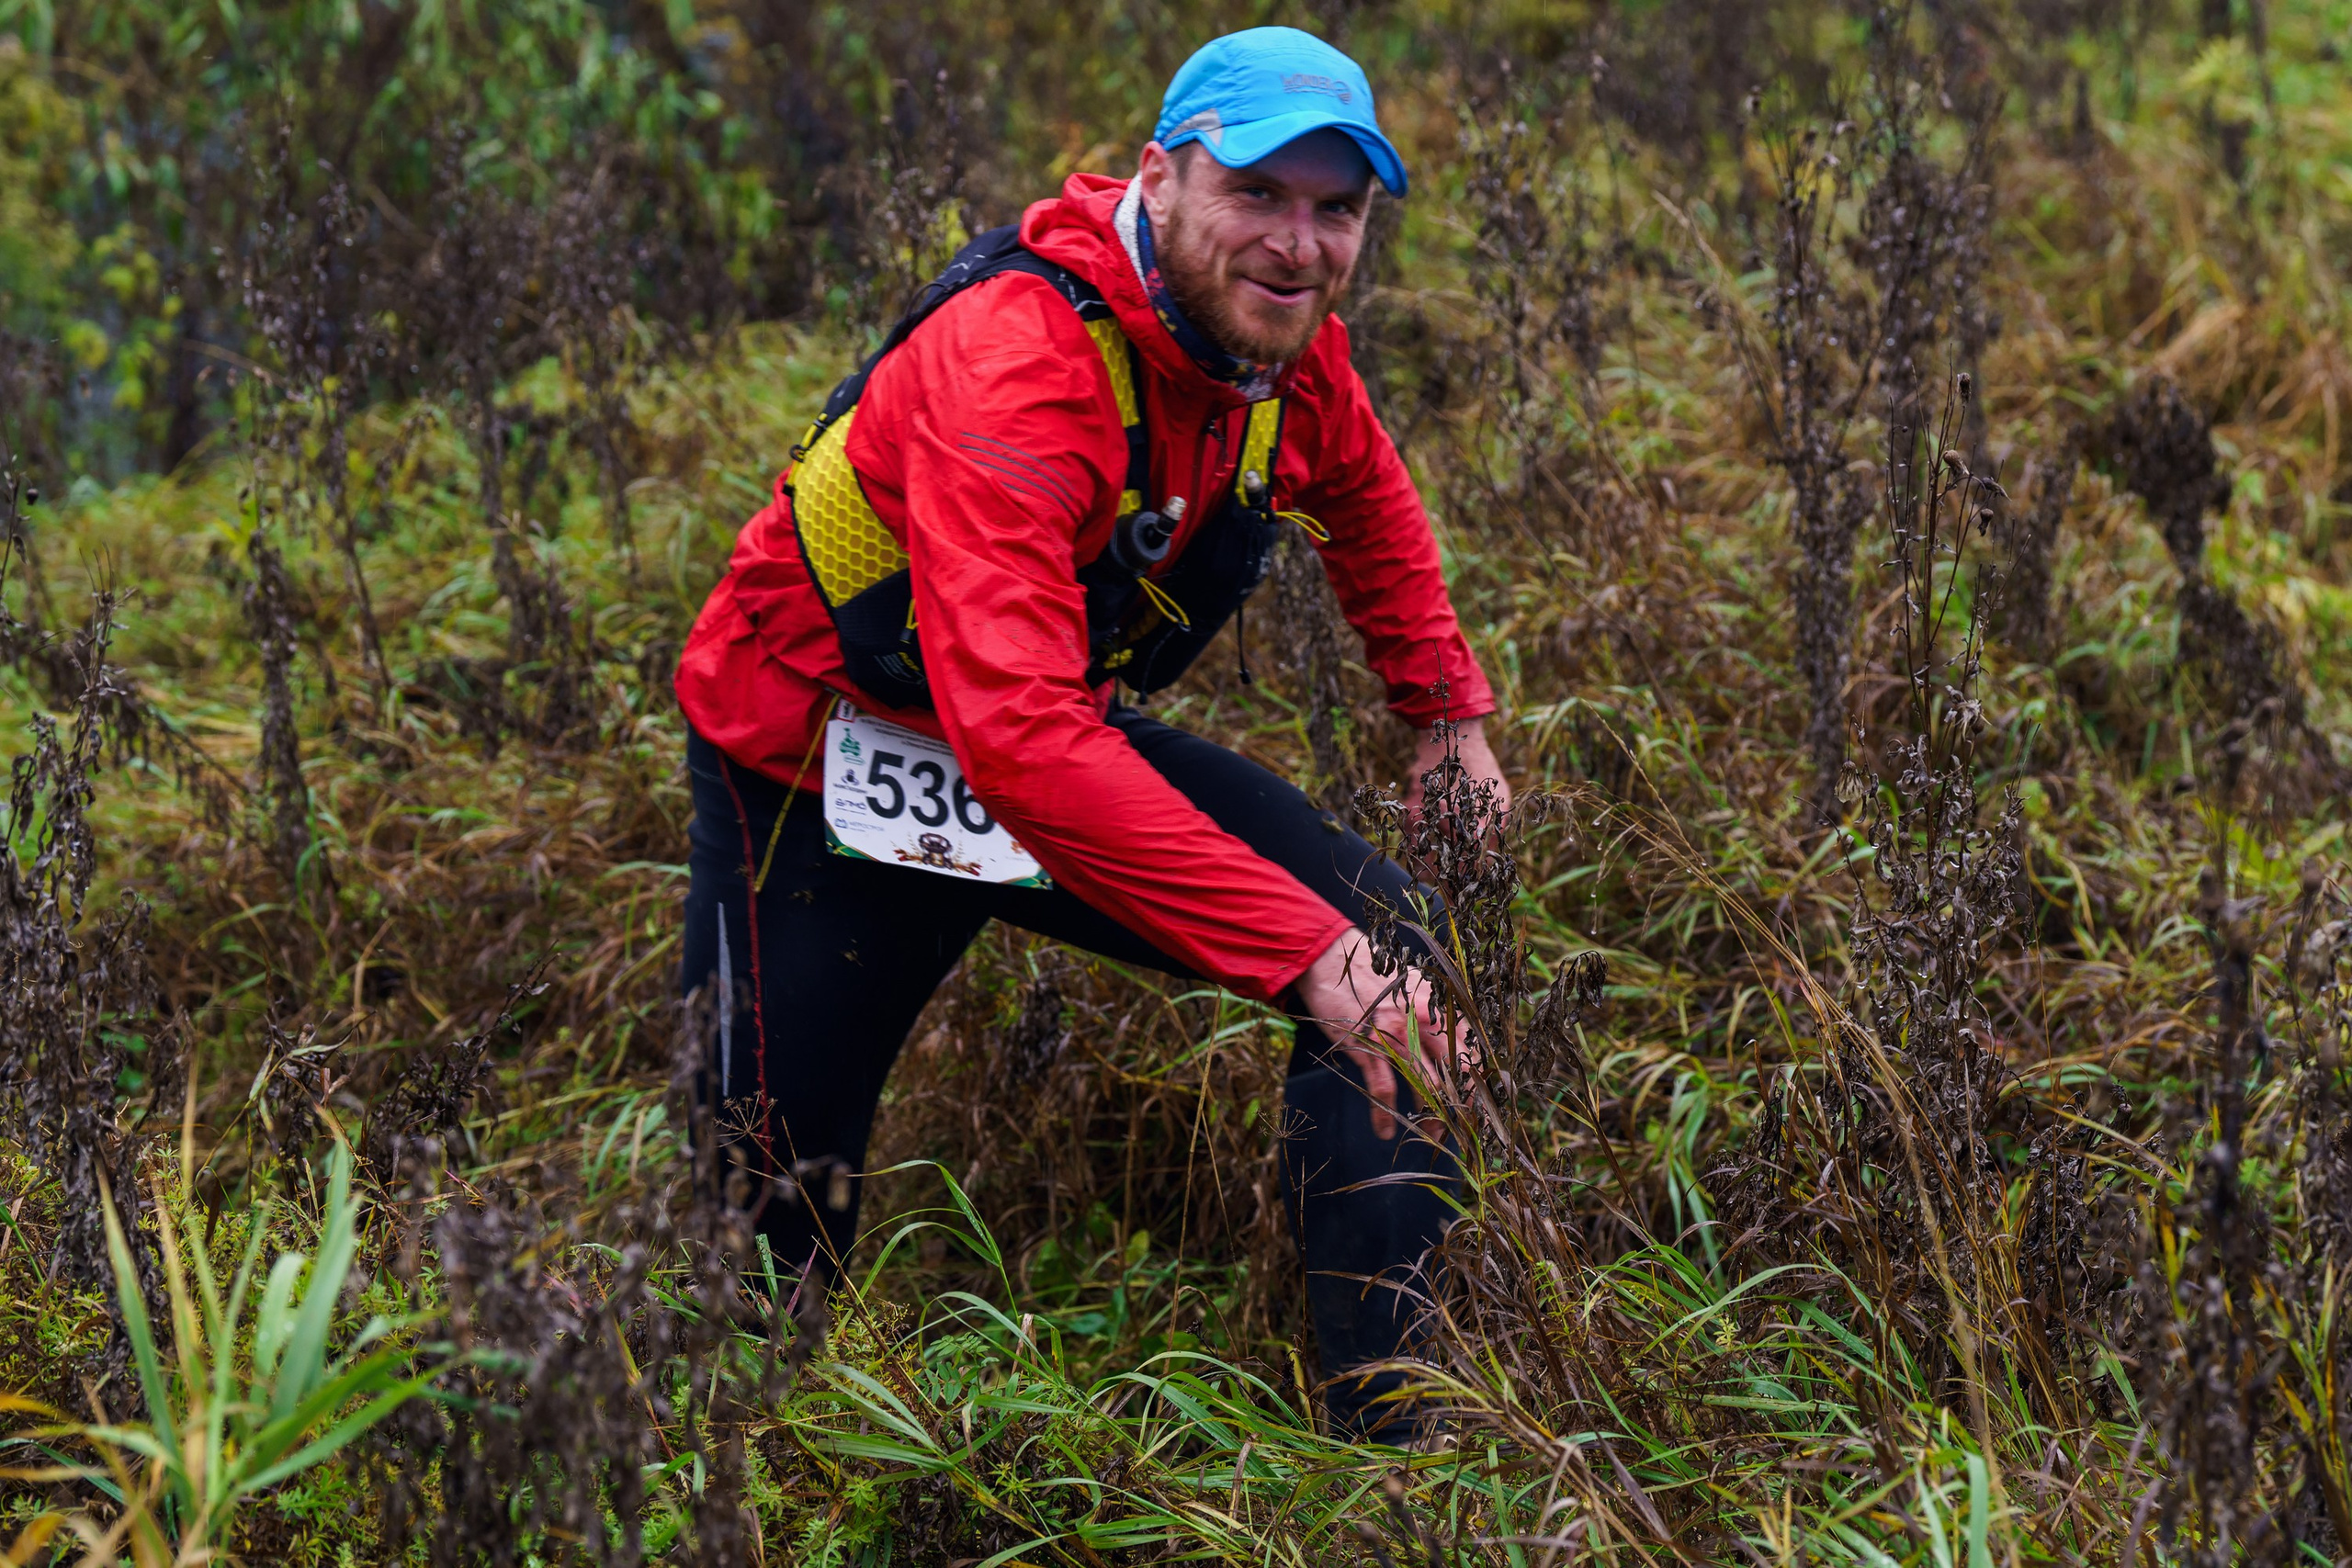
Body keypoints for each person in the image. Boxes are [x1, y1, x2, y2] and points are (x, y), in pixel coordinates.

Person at [673, 26, 1507, 1440]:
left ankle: (1396, 1454)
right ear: (1162, 179)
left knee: (1401, 952)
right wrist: (1308, 959)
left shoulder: (1278, 352)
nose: (1299, 245)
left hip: (1030, 737)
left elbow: (1361, 489)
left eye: (1338, 209)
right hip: (812, 771)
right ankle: (731, 1480)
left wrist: (1446, 715)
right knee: (758, 1248)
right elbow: (1027, 747)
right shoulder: (1016, 365)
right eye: (1258, 193)